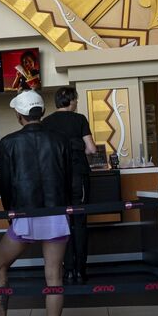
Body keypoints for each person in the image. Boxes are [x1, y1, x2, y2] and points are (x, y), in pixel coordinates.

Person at [0, 91, 73, 316]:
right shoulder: (60, 140)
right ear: (42, 112)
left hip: (24, 216)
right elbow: (68, 179)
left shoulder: (8, 143)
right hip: (56, 213)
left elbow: (5, 184)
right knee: (54, 276)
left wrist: (10, 213)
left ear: (19, 115)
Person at [41, 87, 97, 283]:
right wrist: (79, 149)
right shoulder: (79, 119)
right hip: (78, 175)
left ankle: (67, 270)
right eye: (76, 100)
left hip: (56, 178)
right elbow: (91, 149)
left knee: (61, 222)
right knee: (79, 223)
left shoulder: (46, 122)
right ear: (71, 101)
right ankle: (80, 270)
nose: (77, 103)